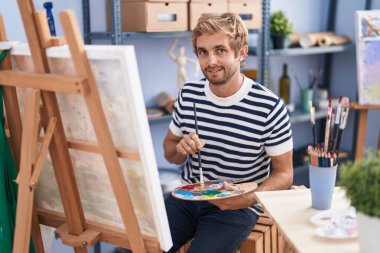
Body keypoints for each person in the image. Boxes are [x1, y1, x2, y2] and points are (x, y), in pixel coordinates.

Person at [163, 13, 293, 253]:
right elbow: (170, 152)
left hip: (237, 206)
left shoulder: (269, 107)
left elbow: (284, 174)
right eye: (203, 52)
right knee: (144, 246)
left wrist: (248, 198)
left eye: (220, 50)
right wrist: (181, 148)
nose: (210, 61)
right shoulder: (188, 94)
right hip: (187, 197)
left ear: (241, 53)